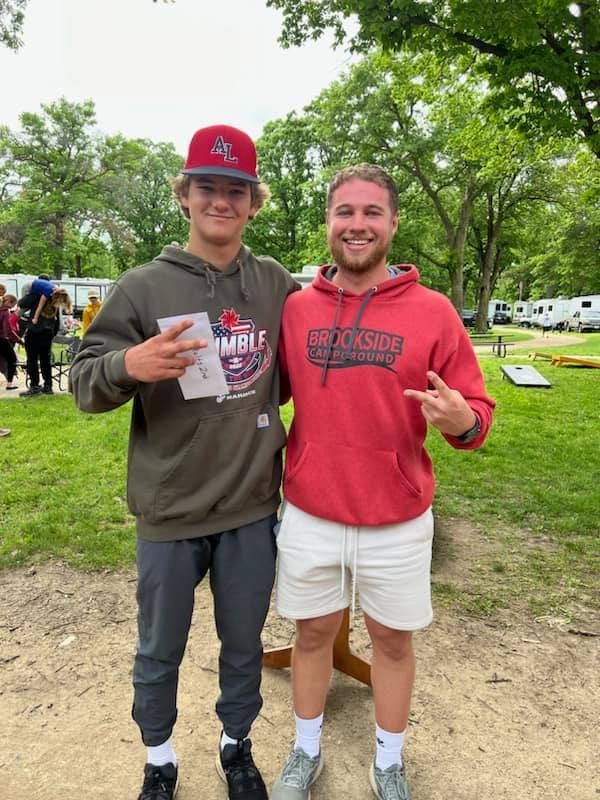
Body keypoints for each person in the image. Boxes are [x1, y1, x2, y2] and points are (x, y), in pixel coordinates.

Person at [69, 124, 299, 800]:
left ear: (254, 202)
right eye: (207, 187)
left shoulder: (275, 285)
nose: (221, 201)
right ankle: (160, 760)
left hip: (251, 507)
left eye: (235, 190)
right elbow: (85, 383)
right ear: (185, 195)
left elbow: (313, 355)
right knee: (158, 650)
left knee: (244, 645)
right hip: (169, 508)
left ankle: (237, 748)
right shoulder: (142, 287)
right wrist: (129, 364)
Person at [271, 164, 495, 800]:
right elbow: (263, 392)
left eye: (372, 212)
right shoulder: (296, 309)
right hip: (312, 510)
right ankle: (304, 751)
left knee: (393, 643)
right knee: (312, 634)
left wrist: (462, 422)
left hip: (397, 517)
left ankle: (389, 762)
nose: (358, 224)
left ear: (393, 223)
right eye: (345, 212)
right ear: (329, 223)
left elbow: (475, 416)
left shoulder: (435, 312)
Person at [18, 278, 72, 396]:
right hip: (48, 332)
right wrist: (53, 333)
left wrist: (31, 294)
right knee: (45, 360)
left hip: (34, 331)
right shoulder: (56, 302)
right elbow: (58, 321)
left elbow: (21, 303)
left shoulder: (37, 296)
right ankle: (48, 386)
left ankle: (34, 386)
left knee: (32, 359)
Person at [0, 294, 24, 389]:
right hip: (1, 339)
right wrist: (19, 340)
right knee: (12, 360)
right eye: (13, 304)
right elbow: (8, 331)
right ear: (8, 302)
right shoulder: (5, 312)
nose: (13, 307)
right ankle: (9, 384)